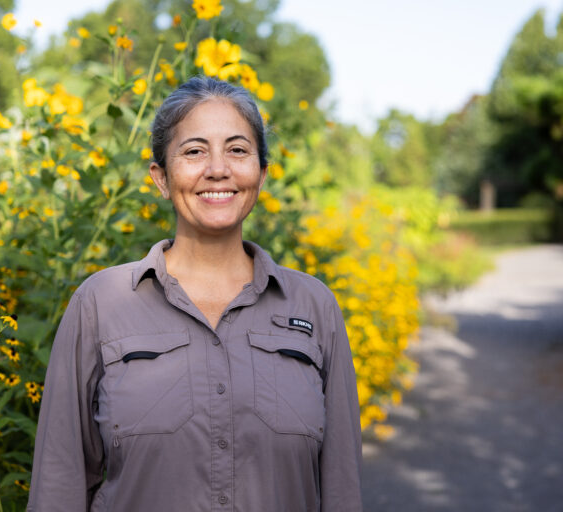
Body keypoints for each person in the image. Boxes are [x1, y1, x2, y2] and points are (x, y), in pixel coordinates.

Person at [27, 76, 362, 512]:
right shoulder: (99, 304)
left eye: (237, 150)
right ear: (161, 177)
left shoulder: (314, 308)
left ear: (261, 173)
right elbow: (59, 483)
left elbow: (341, 490)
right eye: (194, 151)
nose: (217, 169)